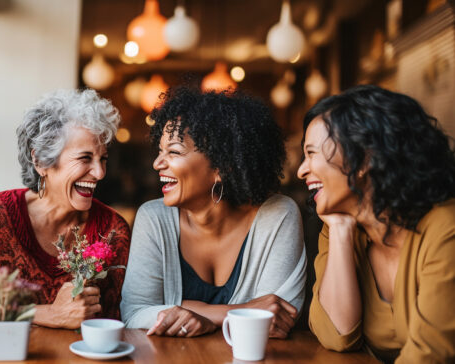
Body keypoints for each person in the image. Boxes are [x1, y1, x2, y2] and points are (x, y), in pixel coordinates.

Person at [121, 87, 307, 338]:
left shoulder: (277, 216)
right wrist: (235, 313)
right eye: (159, 150)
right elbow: (134, 313)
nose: (157, 163)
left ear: (222, 166)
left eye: (174, 151)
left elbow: (278, 321)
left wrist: (194, 312)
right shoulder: (153, 219)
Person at [297, 85, 455, 363]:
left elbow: (430, 355)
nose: (301, 170)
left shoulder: (445, 227)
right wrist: (341, 233)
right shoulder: (336, 225)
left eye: (311, 154)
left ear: (364, 159)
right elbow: (337, 336)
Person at [0, 89, 130, 329]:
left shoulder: (113, 231)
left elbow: (117, 321)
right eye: (85, 158)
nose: (99, 173)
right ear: (40, 161)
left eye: (103, 159)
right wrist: (48, 314)